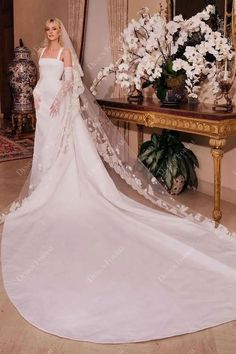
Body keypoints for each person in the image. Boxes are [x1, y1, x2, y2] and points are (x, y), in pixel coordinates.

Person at [1, 17, 236, 344]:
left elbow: (69, 83)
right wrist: (40, 96)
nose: (52, 33)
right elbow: (42, 80)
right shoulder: (42, 50)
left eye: (56, 29)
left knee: (66, 154)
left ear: (60, 32)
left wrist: (57, 101)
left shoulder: (65, 54)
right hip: (44, 108)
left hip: (60, 109)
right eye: (50, 29)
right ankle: (45, 190)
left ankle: (71, 194)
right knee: (45, 151)